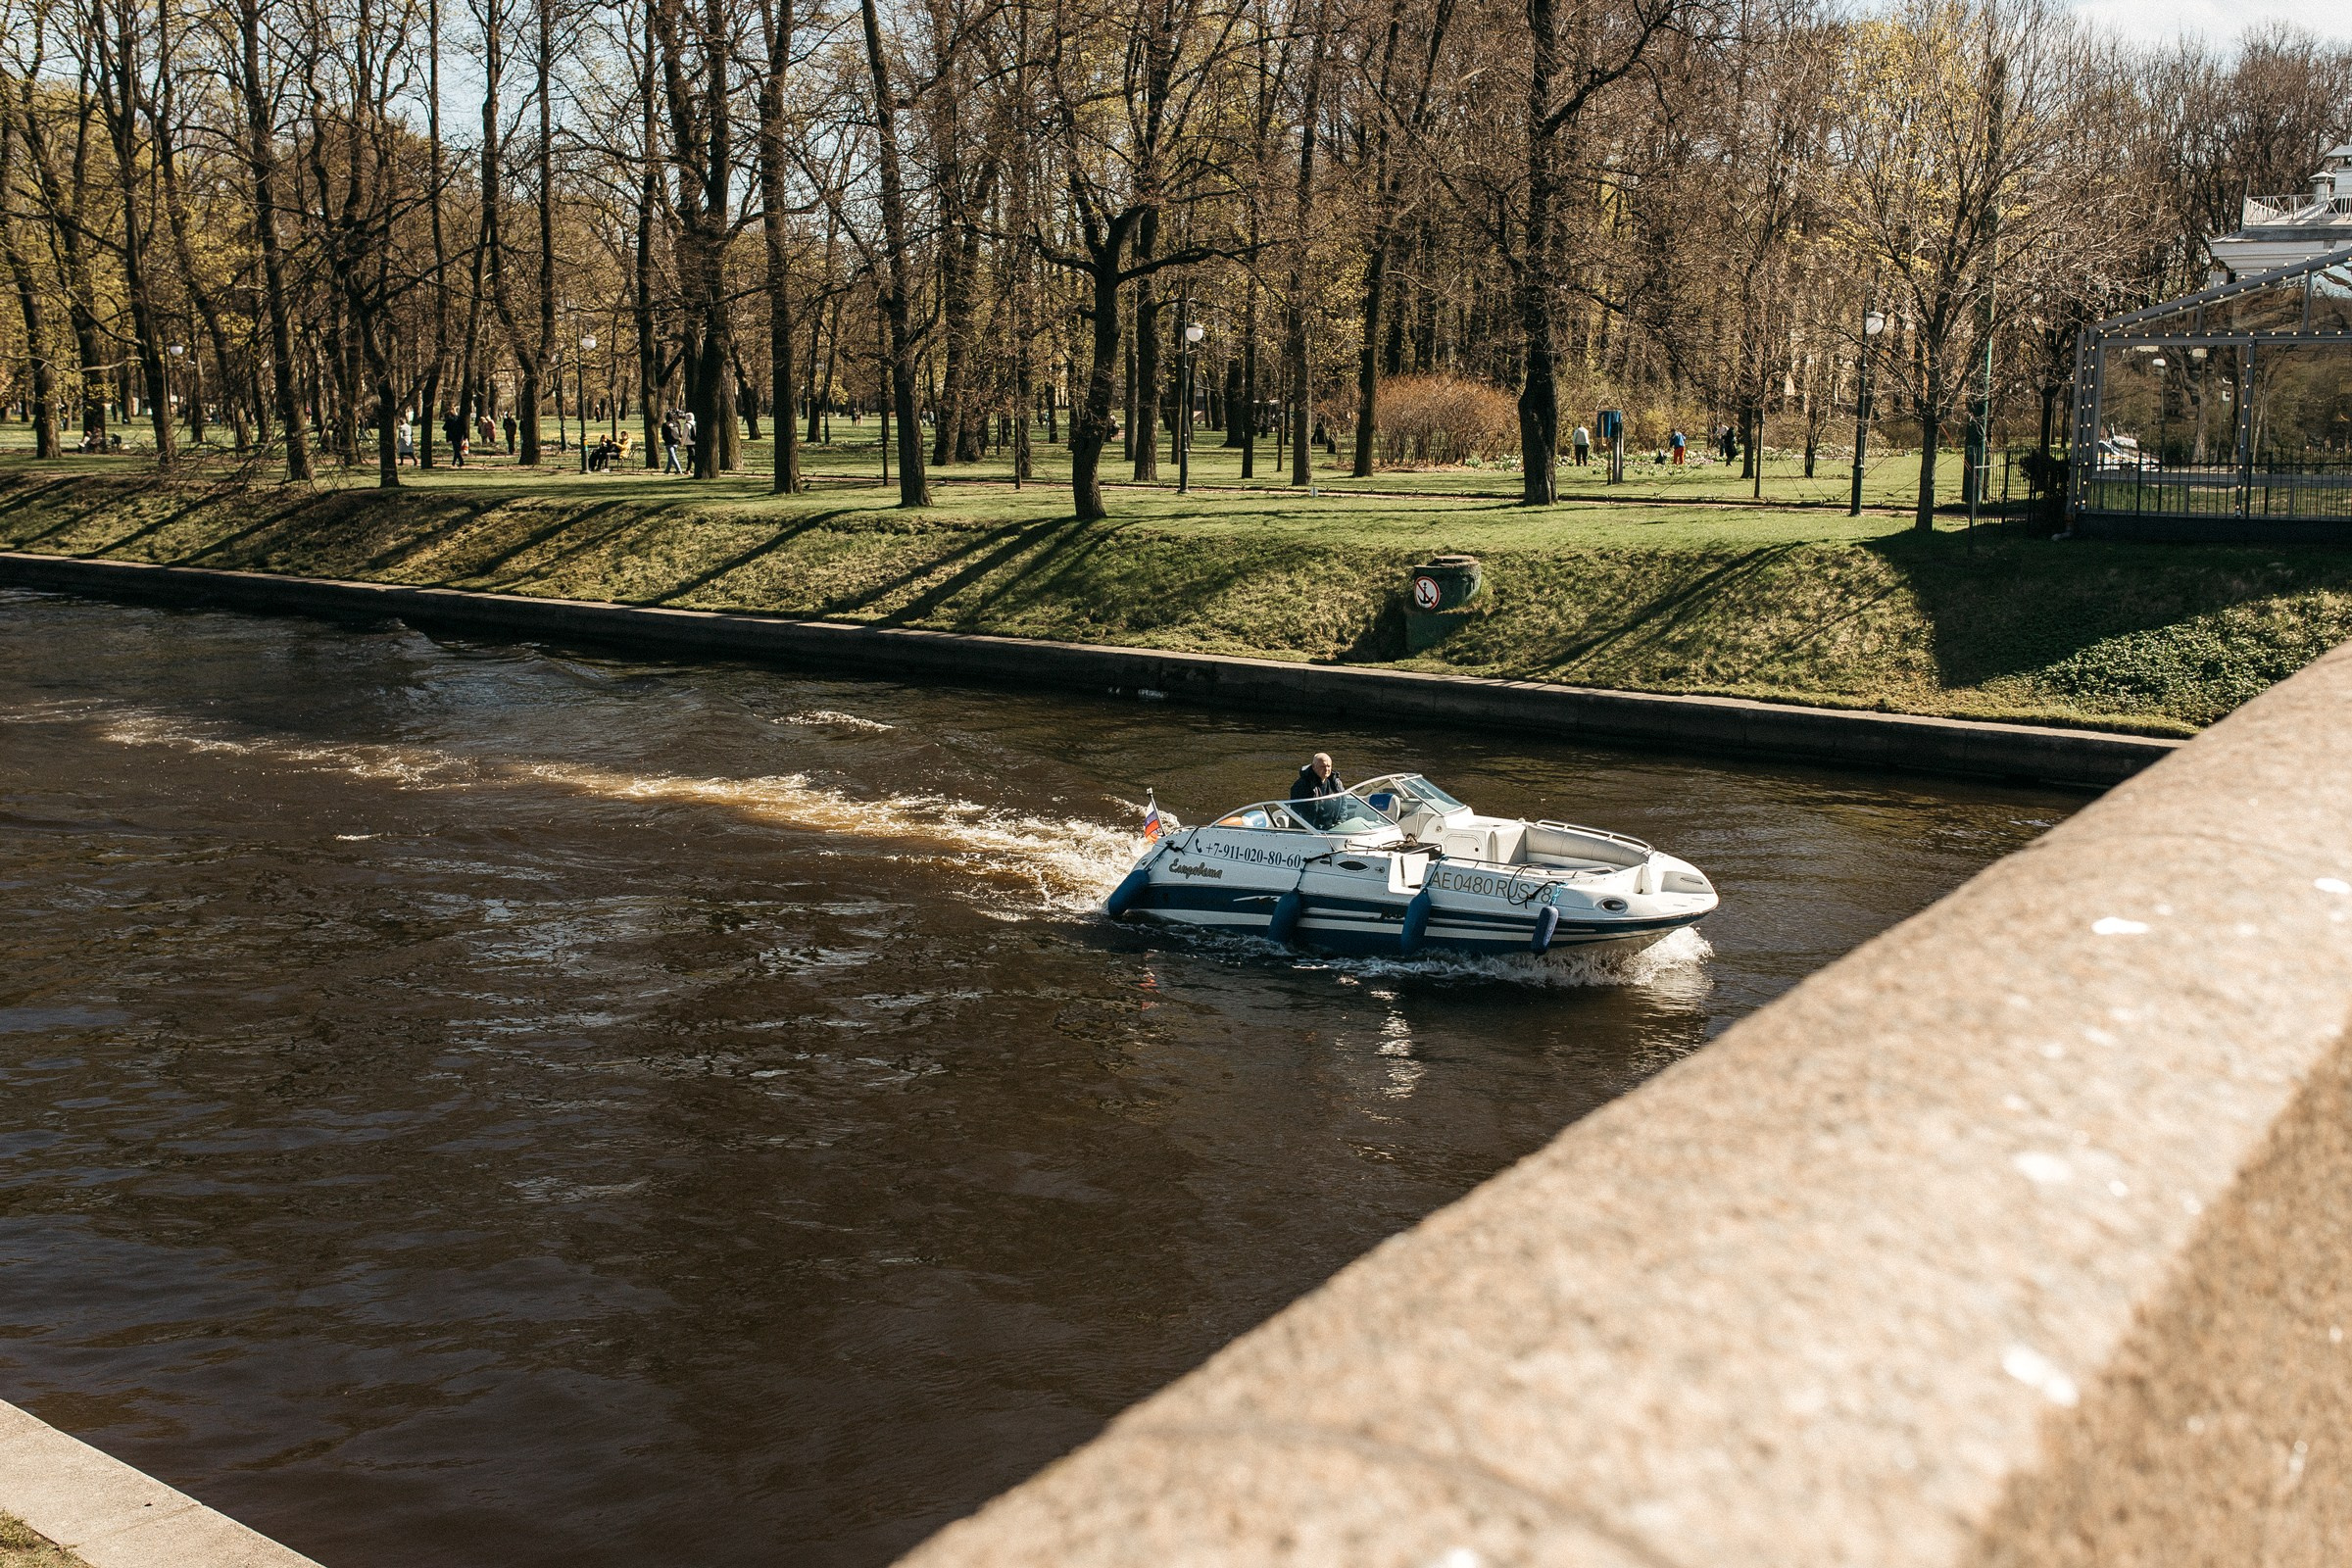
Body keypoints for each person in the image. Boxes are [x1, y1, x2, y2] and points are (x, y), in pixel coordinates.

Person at [661, 408, 684, 473]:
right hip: (676, 442)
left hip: (668, 443)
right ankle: (667, 470)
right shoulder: (676, 424)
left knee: (673, 456)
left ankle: (679, 470)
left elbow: (663, 434)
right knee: (670, 456)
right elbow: (680, 433)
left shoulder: (665, 425)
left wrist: (665, 440)